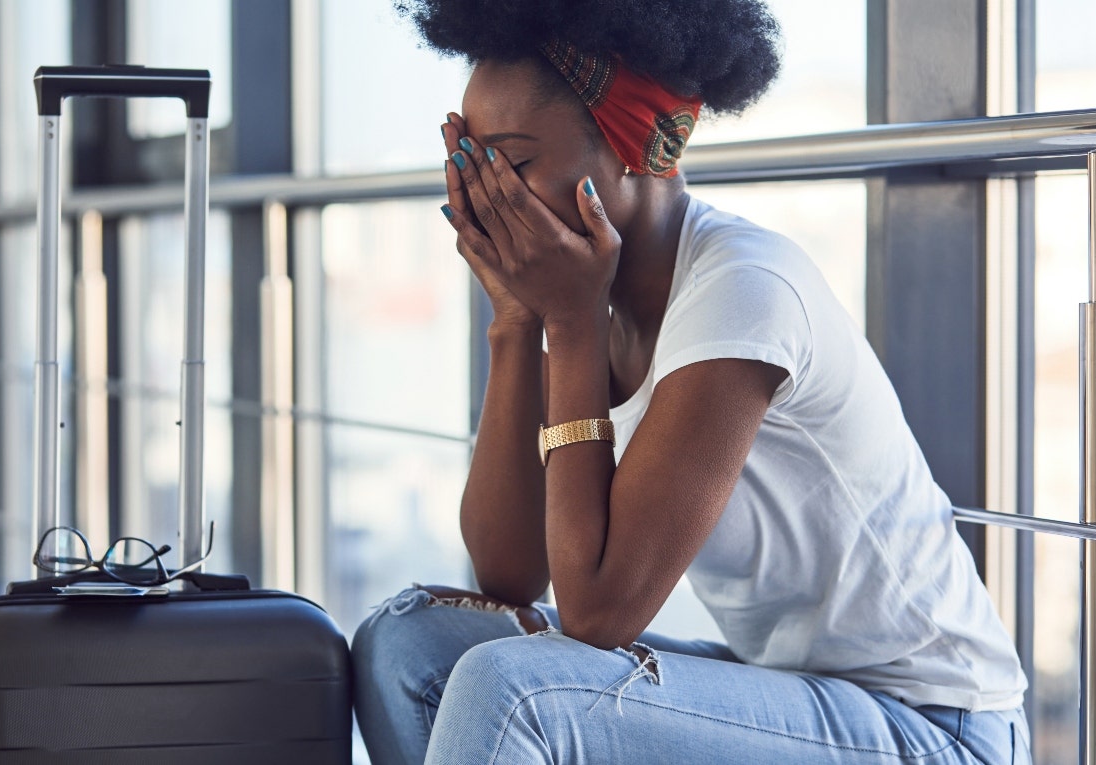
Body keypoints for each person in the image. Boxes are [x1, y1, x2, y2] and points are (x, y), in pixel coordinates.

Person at [351, 1, 1031, 762]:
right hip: (795, 690)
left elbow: (599, 611)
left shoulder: (741, 287)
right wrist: (516, 321)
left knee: (515, 689)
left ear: (638, 143)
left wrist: (570, 324)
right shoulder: (594, 297)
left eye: (513, 164)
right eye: (473, 169)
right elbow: (509, 571)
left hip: (936, 726)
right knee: (406, 641)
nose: (489, 199)